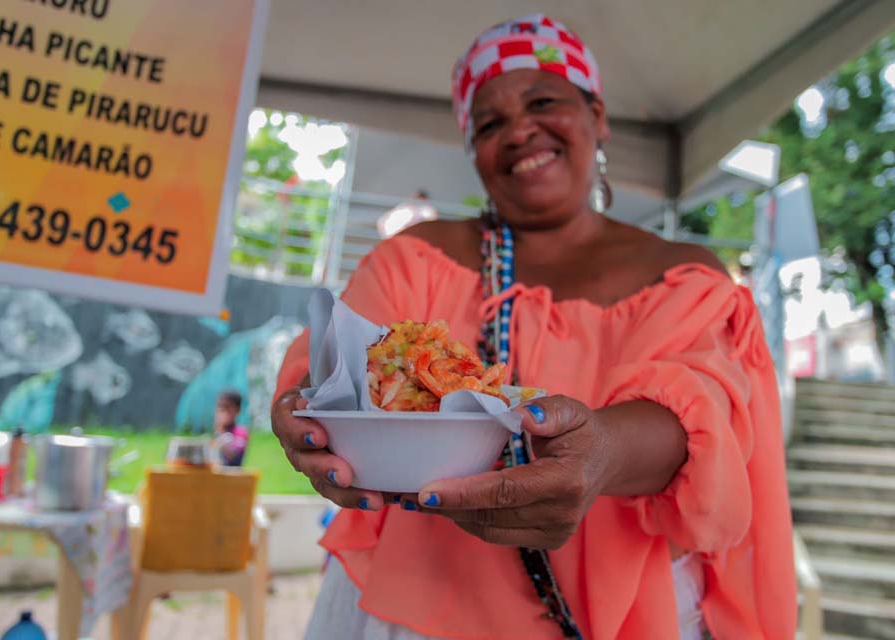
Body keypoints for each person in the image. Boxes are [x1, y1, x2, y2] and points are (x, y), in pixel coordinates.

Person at [272, 14, 796, 640]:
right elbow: (338, 365)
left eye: (544, 101)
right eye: (489, 124)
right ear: (475, 154)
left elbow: (707, 414)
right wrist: (305, 409)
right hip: (419, 606)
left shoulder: (685, 275)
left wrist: (602, 451)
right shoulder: (416, 260)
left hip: (625, 614)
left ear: (597, 115)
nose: (519, 131)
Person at [213, 389, 249, 467]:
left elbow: (234, 458)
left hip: (233, 477)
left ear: (237, 410)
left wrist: (220, 430)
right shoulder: (215, 433)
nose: (223, 411)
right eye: (220, 407)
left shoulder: (240, 433)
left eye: (227, 407)